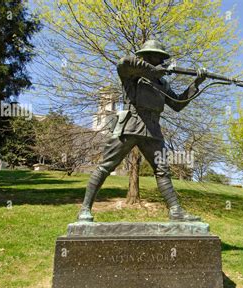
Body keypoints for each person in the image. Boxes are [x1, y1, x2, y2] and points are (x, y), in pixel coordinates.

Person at [77, 39, 206, 222]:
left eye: (160, 58)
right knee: (106, 166)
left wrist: (196, 84)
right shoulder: (131, 75)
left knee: (162, 170)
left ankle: (176, 211)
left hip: (153, 130)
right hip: (130, 125)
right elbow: (123, 62)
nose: (158, 60)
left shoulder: (163, 84)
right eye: (154, 56)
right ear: (145, 57)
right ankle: (84, 209)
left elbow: (177, 105)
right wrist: (152, 71)